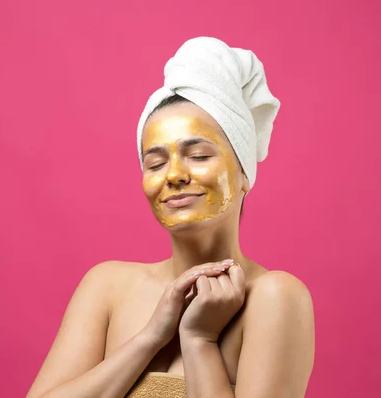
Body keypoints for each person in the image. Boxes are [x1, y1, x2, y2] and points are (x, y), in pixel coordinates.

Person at [26, 37, 315, 398]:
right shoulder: (107, 287)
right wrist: (152, 336)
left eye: (198, 155)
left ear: (244, 173)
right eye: (156, 163)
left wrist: (198, 339)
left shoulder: (274, 297)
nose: (174, 175)